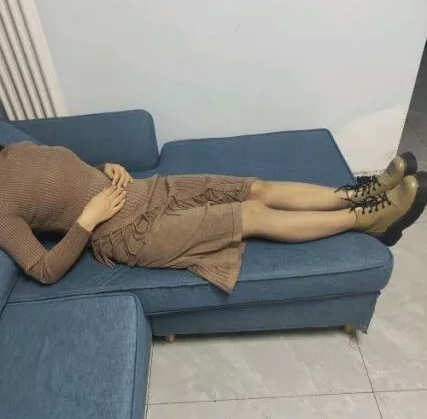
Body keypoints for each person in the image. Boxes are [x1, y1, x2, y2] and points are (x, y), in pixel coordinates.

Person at [0, 141, 426, 293]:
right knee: (251, 213)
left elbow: (61, 182)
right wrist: (88, 221)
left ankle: (358, 194)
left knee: (255, 187)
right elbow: (44, 270)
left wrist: (103, 168)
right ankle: (366, 220)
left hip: (144, 190)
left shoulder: (13, 150)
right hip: (127, 232)